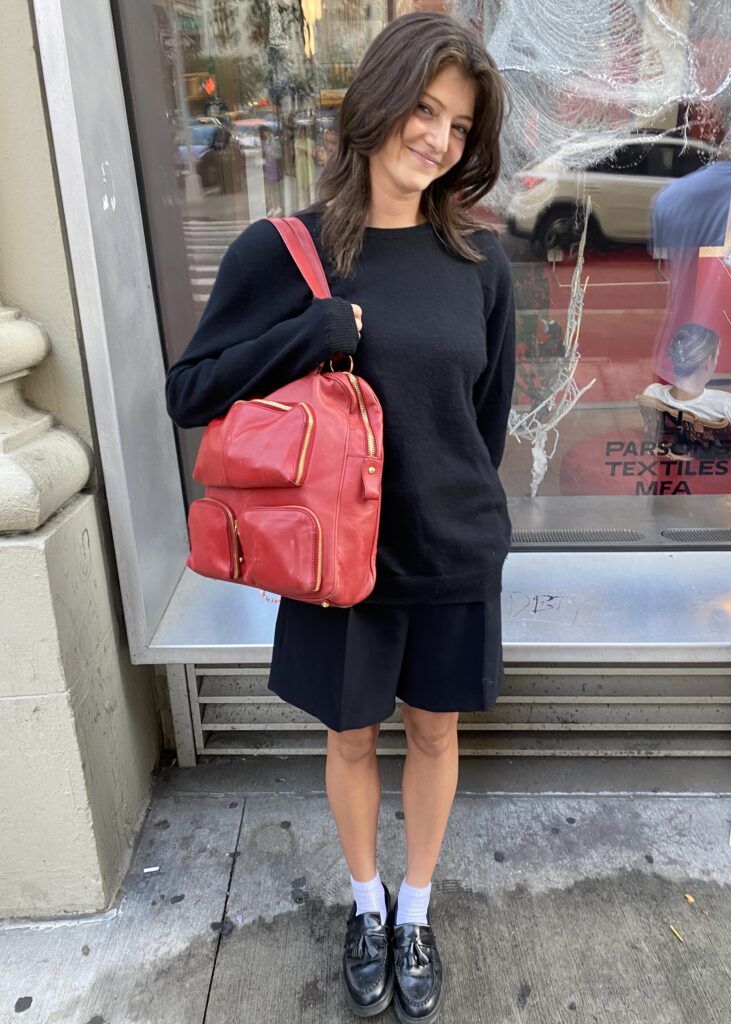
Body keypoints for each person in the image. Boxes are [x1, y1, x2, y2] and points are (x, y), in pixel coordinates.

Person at [165, 12, 514, 1022]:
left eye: (458, 127)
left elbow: (481, 423)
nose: (437, 139)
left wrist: (454, 509)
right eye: (425, 109)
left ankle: (415, 907)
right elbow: (190, 392)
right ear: (377, 101)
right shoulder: (285, 252)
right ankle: (364, 902)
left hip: (449, 548)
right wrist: (309, 332)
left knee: (436, 733)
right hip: (334, 558)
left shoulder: (480, 265)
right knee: (353, 737)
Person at [642, 323, 731, 456]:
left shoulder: (653, 393)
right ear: (708, 362)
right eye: (717, 356)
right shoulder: (730, 406)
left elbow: (699, 404)